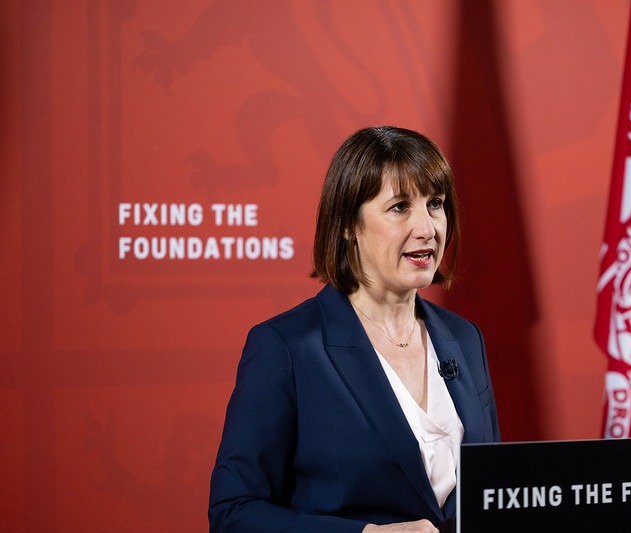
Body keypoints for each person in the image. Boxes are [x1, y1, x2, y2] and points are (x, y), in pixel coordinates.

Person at [209, 126, 501, 532]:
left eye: (435, 204)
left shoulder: (465, 339)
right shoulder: (287, 348)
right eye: (400, 207)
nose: (427, 228)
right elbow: (234, 513)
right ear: (348, 224)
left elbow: (494, 498)